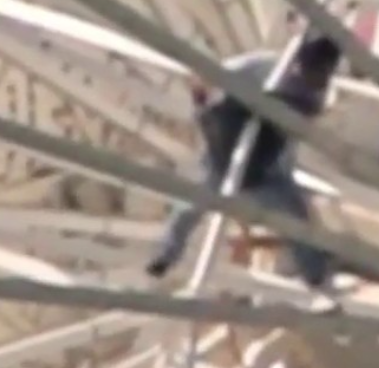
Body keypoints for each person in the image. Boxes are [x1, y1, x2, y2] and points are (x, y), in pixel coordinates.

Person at [146, 33, 344, 288]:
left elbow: (302, 122)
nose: (311, 77)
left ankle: (316, 276)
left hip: (263, 169)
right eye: (308, 70)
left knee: (296, 221)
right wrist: (203, 87)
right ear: (297, 61)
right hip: (224, 160)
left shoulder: (314, 94)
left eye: (319, 74)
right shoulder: (264, 67)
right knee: (185, 211)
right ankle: (165, 256)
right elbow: (216, 77)